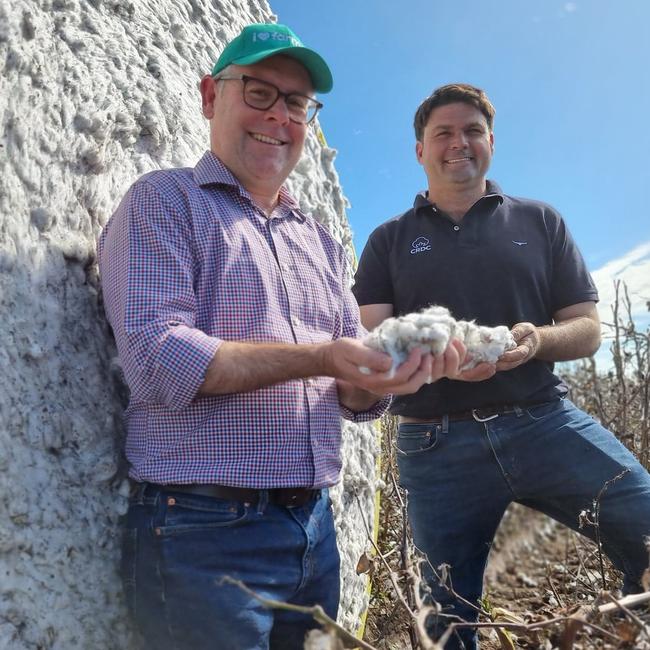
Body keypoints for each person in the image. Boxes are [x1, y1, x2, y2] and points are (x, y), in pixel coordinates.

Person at [98, 24, 469, 650]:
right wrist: (323, 355)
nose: (280, 117)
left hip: (314, 530)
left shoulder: (317, 239)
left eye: (296, 104)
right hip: (202, 532)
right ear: (211, 95)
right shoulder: (164, 201)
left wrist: (391, 371)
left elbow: (353, 389)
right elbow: (158, 359)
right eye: (260, 92)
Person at [352, 83, 650, 649]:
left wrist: (535, 341)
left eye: (472, 131)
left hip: (544, 420)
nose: (458, 143)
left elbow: (586, 329)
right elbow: (373, 338)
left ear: (490, 142)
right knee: (443, 619)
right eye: (443, 133)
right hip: (433, 444)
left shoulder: (540, 221)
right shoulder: (388, 240)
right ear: (420, 150)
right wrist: (439, 365)